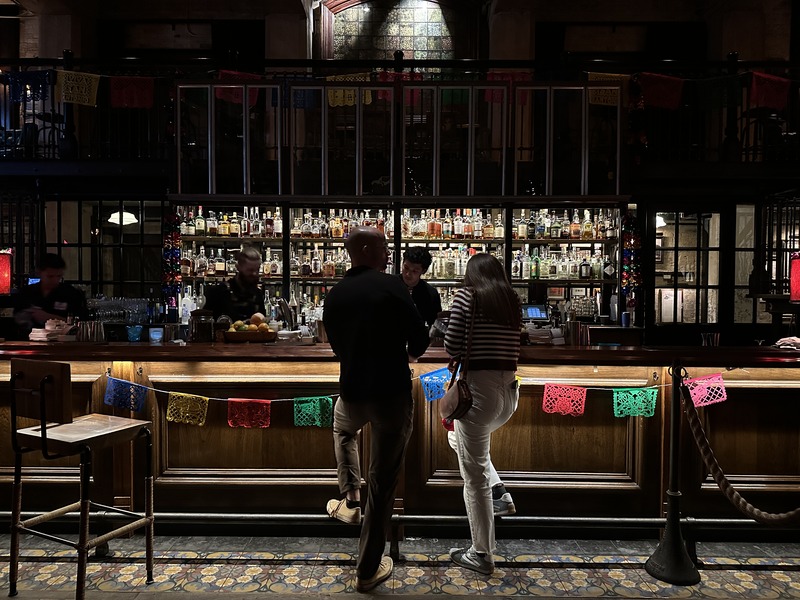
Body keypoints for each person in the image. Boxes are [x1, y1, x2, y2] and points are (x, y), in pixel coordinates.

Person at [322, 226, 430, 593]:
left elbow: (336, 345)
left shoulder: (334, 295)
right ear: (367, 249)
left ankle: (350, 495)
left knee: (342, 428)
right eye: (384, 247)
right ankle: (368, 569)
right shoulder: (392, 286)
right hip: (391, 395)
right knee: (383, 483)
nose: (389, 253)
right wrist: (407, 356)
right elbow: (420, 337)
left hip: (352, 391)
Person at [443, 252, 521, 576]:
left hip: (479, 392)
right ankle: (500, 492)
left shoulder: (467, 296)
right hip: (510, 392)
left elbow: (451, 346)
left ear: (470, 274)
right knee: (458, 441)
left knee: (473, 479)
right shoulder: (511, 299)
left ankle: (482, 554)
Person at [14, 253, 87, 337]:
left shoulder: (70, 293)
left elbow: (80, 323)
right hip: (29, 342)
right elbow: (17, 320)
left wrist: (49, 317)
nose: (55, 280)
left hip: (63, 344)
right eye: (50, 276)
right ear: (39, 273)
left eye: (59, 276)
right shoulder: (27, 292)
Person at [203, 245, 266, 321]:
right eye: (250, 270)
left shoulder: (257, 294)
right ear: (238, 267)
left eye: (257, 270)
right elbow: (205, 322)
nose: (255, 274)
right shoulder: (219, 292)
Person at [400, 247, 442, 327]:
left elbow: (434, 326)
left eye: (415, 271)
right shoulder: (390, 286)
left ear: (424, 271)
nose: (408, 274)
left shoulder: (431, 294)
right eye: (406, 268)